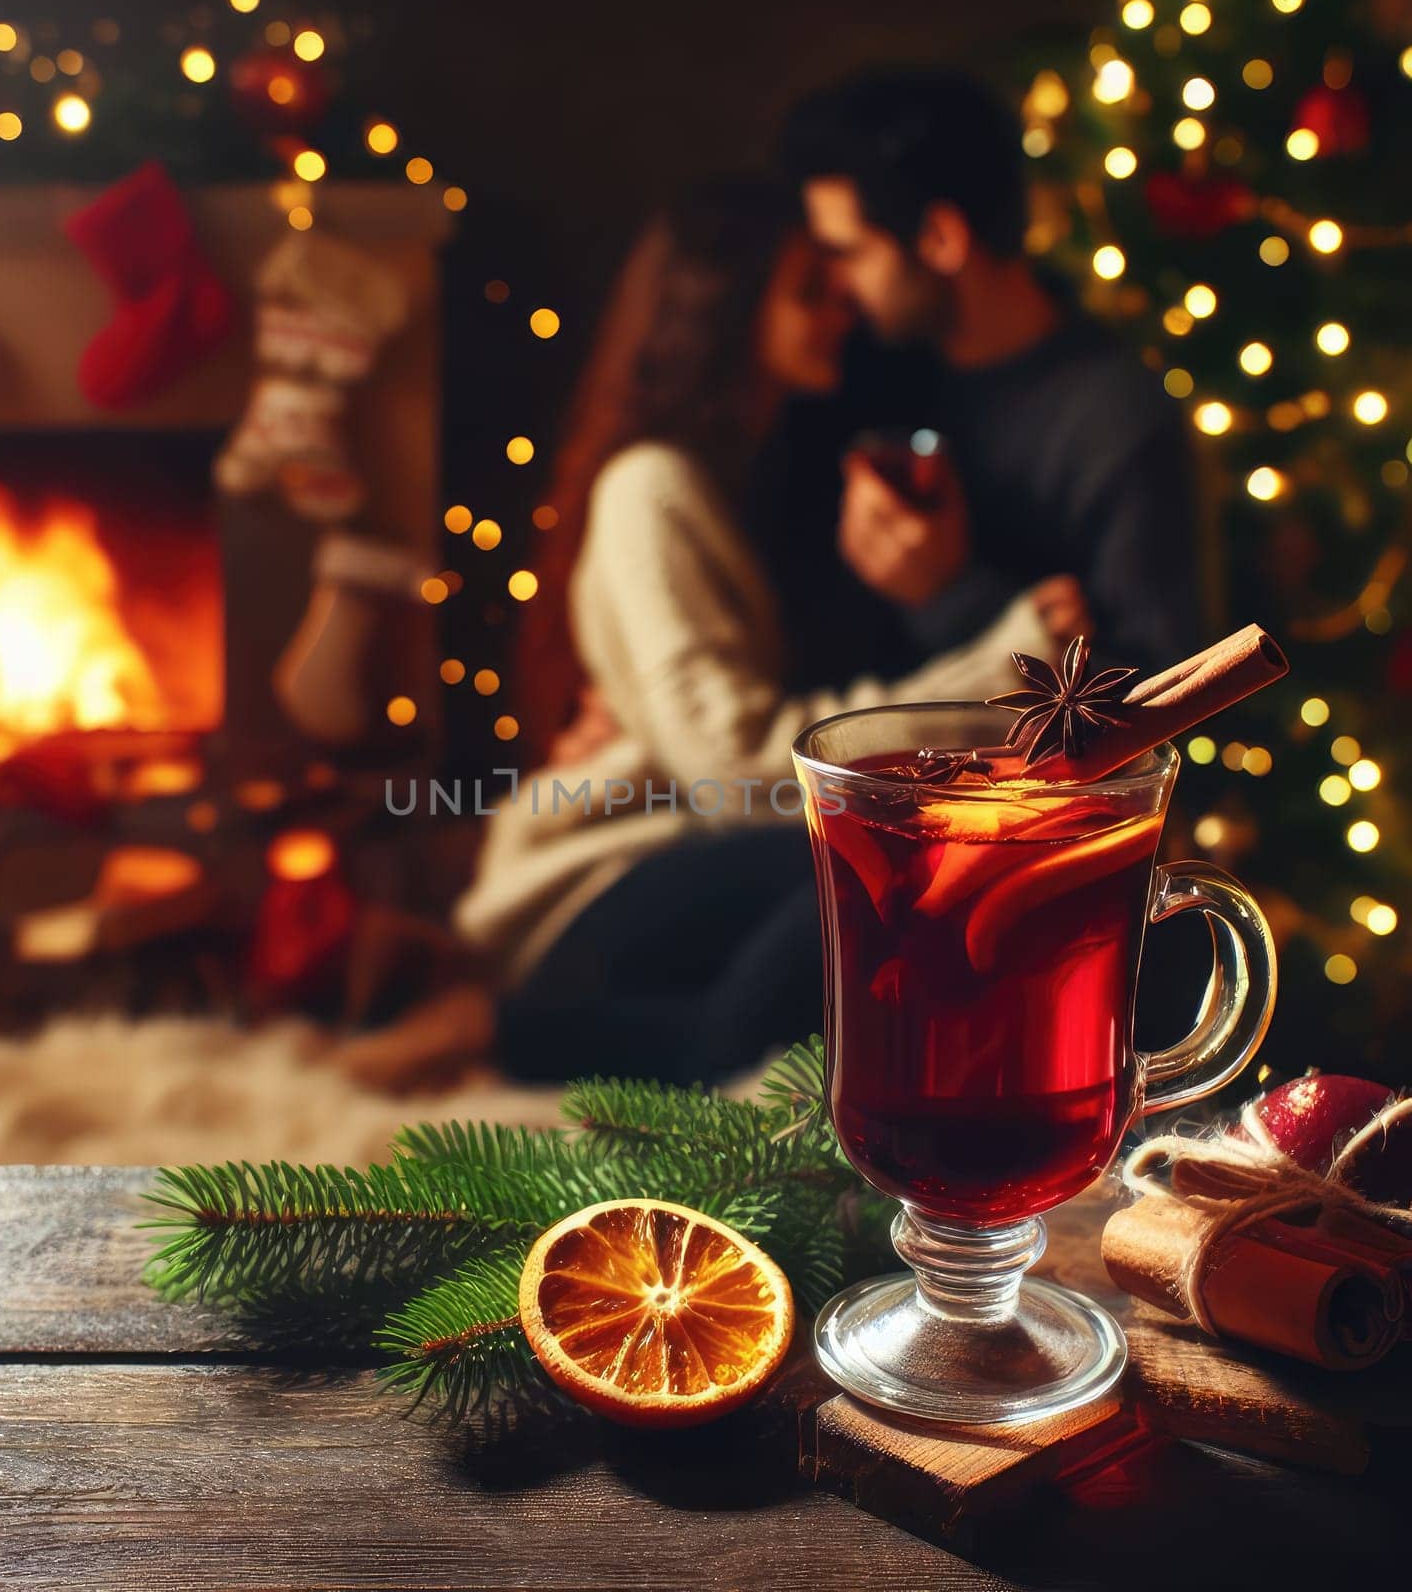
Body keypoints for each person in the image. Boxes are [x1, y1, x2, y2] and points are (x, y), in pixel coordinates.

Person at [335, 180, 1082, 1090]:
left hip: (691, 873)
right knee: (878, 880)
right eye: (809, 288)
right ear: (728, 312)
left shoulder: (745, 484)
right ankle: (510, 1029)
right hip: (593, 895)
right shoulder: (650, 486)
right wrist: (1003, 674)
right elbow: (735, 772)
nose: (842, 307)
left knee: (853, 954)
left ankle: (535, 1036)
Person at [783, 68, 1202, 674]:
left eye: (848, 253)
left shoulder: (1116, 421)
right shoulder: (860, 370)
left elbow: (1165, 697)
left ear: (940, 238)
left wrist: (947, 596)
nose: (834, 287)